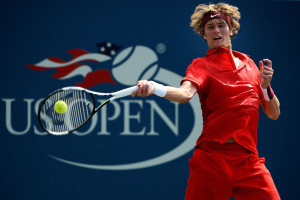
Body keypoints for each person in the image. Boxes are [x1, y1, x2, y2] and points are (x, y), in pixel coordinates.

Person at [131, 2, 281, 200]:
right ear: (204, 34)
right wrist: (153, 88)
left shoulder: (252, 66)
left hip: (248, 160)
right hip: (212, 160)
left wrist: (264, 86)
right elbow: (184, 94)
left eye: (221, 25)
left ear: (231, 30)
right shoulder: (201, 65)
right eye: (210, 27)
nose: (216, 30)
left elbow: (274, 113)